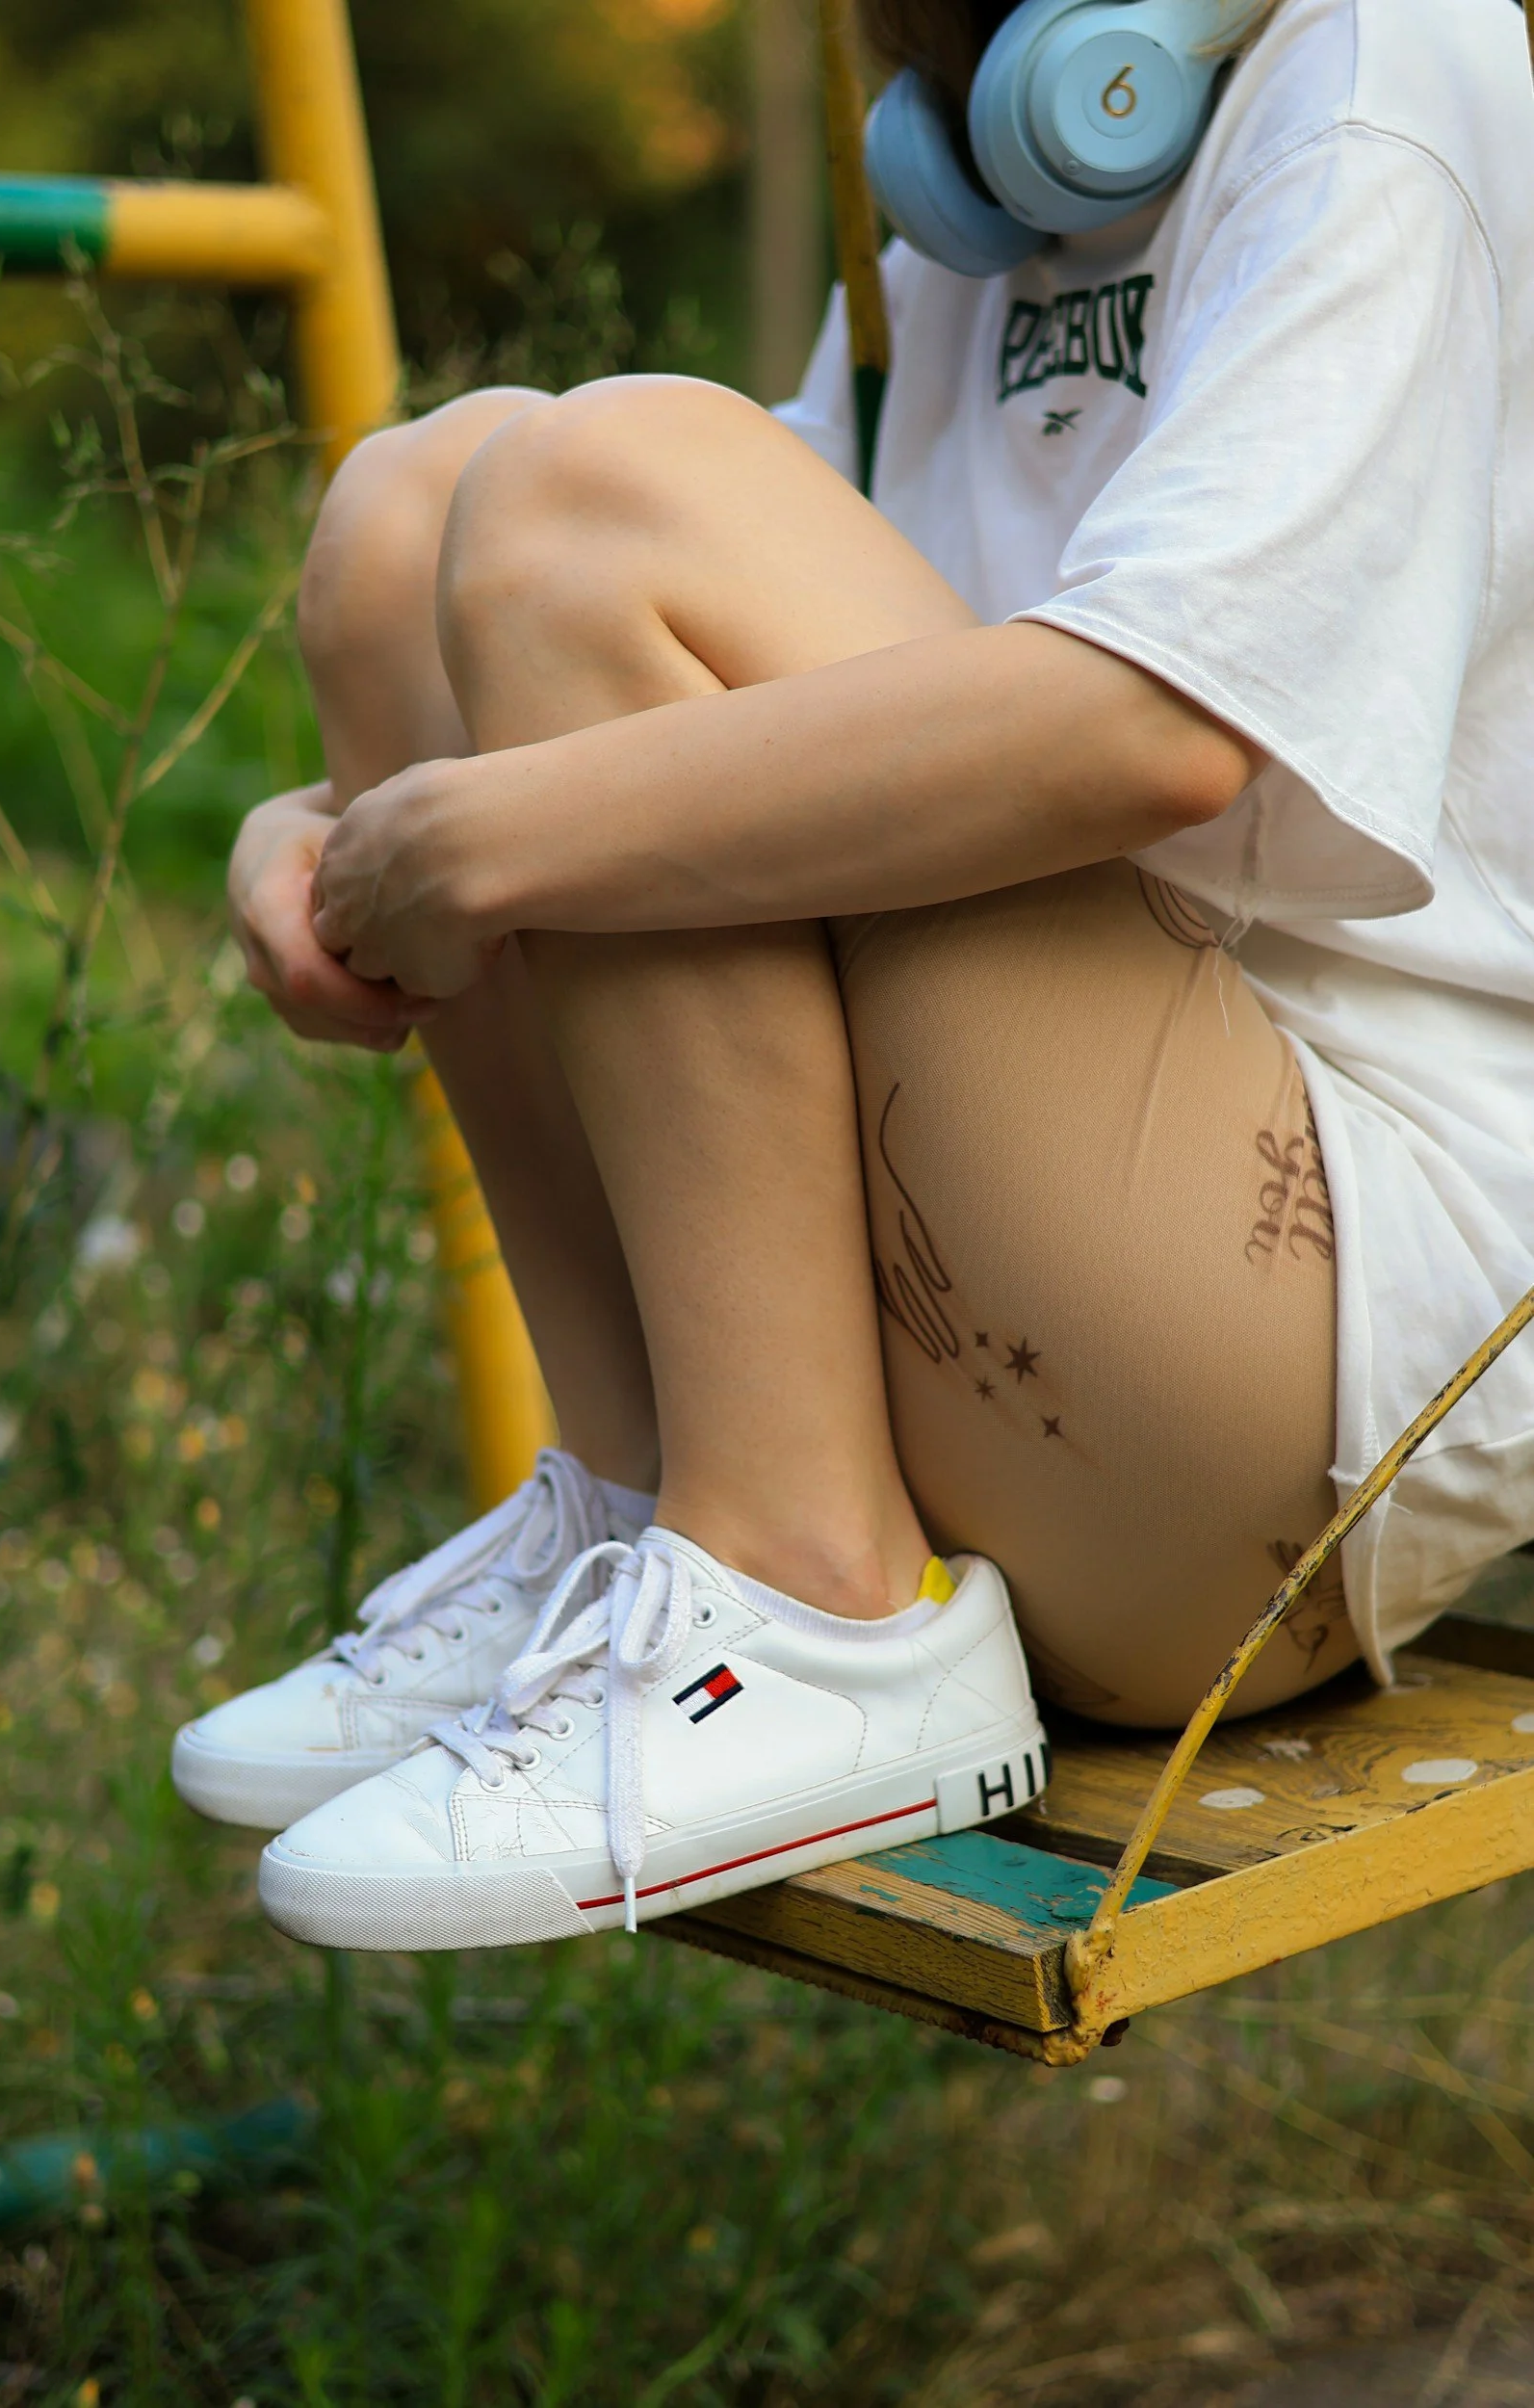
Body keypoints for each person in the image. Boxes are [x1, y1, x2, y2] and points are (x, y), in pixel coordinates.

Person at [173, 0, 1534, 1954]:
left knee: (590, 492)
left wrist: (485, 838)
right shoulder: (975, 192)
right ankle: (656, 1519)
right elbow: (673, 676)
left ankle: (810, 1598)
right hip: (1052, 1258)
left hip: (1298, 1385)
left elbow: (1158, 738)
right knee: (415, 512)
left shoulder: (1378, 73)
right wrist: (326, 836)